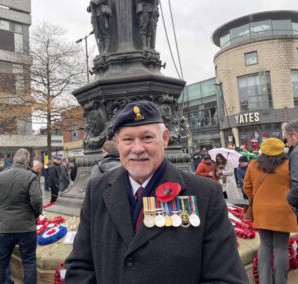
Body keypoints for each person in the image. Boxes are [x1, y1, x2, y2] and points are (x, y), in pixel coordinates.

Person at [65, 100, 247, 283]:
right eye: (128, 139)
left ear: (165, 138)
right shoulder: (96, 190)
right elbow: (80, 267)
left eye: (147, 138)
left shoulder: (205, 194)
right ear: (118, 143)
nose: (137, 149)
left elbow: (226, 277)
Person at [243, 138, 298, 284]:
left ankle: (265, 281)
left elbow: (246, 187)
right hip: (284, 210)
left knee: (265, 245)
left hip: (262, 211)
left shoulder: (253, 164)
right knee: (281, 247)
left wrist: (257, 199)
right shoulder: (288, 164)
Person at [0, 148, 42, 284]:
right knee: (29, 262)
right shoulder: (31, 177)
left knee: (1, 262)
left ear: (14, 160)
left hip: (6, 226)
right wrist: (35, 213)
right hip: (26, 227)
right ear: (27, 162)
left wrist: (3, 210)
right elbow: (36, 201)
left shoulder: (0, 176)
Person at [284, 119, 298, 216]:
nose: (287, 142)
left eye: (287, 138)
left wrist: (290, 200)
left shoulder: (296, 153)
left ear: (295, 135)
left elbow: (297, 184)